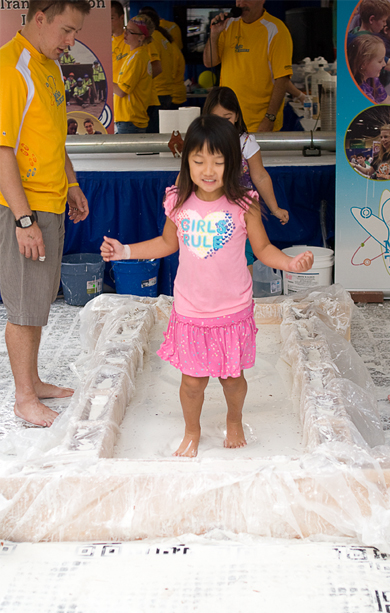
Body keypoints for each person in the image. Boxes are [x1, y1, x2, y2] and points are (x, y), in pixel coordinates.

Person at [100, 115, 314, 457]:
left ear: (232, 162)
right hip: (191, 310)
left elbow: (262, 249)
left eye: (218, 160)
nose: (208, 169)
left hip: (233, 310)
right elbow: (166, 244)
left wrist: (289, 263)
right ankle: (192, 430)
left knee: (232, 380)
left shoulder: (245, 203)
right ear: (187, 162)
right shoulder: (178, 201)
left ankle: (233, 419)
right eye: (199, 160)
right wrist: (124, 250)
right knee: (192, 382)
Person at [0, 0, 91, 427]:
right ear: (40, 19)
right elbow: (2, 152)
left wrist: (70, 184)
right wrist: (23, 219)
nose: (71, 42)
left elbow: (54, 138)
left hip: (51, 199)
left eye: (76, 33)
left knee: (38, 300)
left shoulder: (50, 66)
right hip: (24, 205)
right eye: (66, 31)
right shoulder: (12, 68)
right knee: (22, 305)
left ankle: (33, 381)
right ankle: (23, 398)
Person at [202, 86, 289, 270]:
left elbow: (260, 176)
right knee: (214, 264)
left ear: (237, 116)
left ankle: (245, 299)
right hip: (211, 215)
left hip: (243, 215)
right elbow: (187, 174)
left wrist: (275, 208)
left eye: (227, 119)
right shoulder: (202, 143)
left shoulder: (246, 142)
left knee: (244, 261)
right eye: (216, 119)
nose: (222, 125)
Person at [203, 0, 294, 133]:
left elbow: (282, 79)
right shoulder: (228, 25)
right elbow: (209, 62)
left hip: (258, 123)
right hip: (227, 121)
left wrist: (269, 119)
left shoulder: (276, 30)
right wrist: (214, 34)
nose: (241, 3)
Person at [113, 14, 155, 134]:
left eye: (130, 32)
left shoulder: (137, 58)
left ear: (141, 37)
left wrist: (104, 82)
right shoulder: (134, 55)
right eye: (126, 29)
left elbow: (122, 91)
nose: (125, 34)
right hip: (129, 120)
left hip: (130, 121)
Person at [347, 34, 390, 107]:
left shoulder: (372, 78)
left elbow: (386, 100)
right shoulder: (359, 91)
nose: (384, 64)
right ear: (363, 63)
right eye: (380, 61)